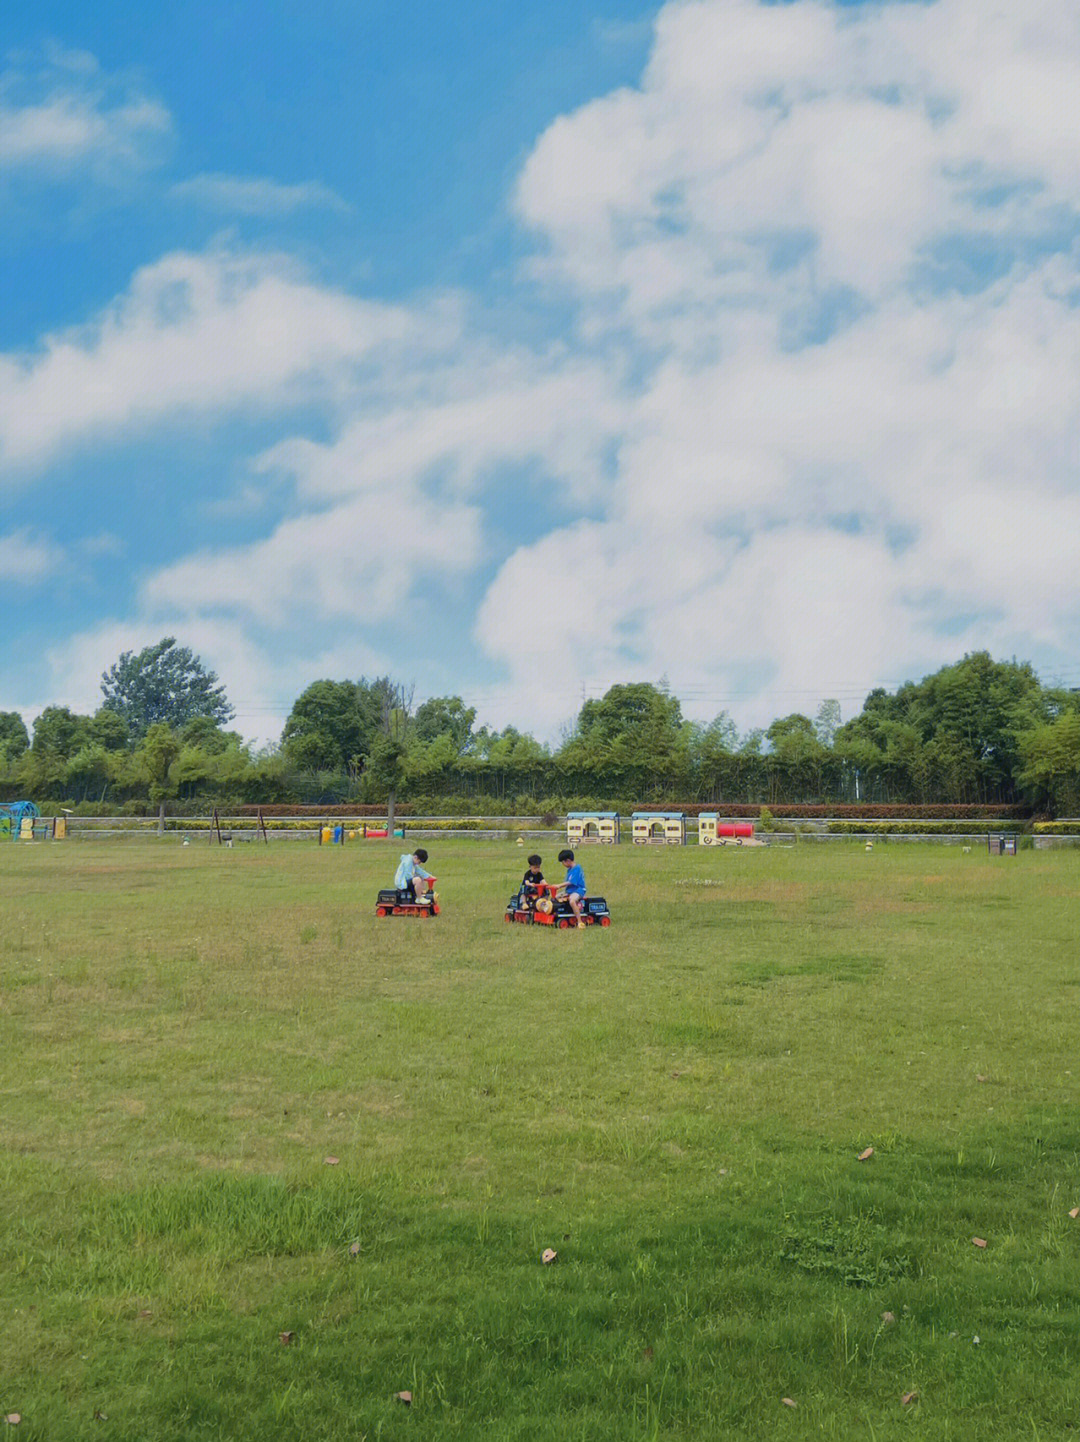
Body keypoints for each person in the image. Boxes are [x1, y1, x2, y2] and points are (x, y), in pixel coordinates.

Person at [557, 847, 587, 928]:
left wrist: (559, 885)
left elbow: (571, 882)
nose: (563, 864)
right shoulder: (570, 869)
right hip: (570, 890)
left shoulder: (577, 868)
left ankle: (579, 921)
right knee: (556, 897)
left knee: (572, 901)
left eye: (563, 862)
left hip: (578, 890)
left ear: (568, 860)